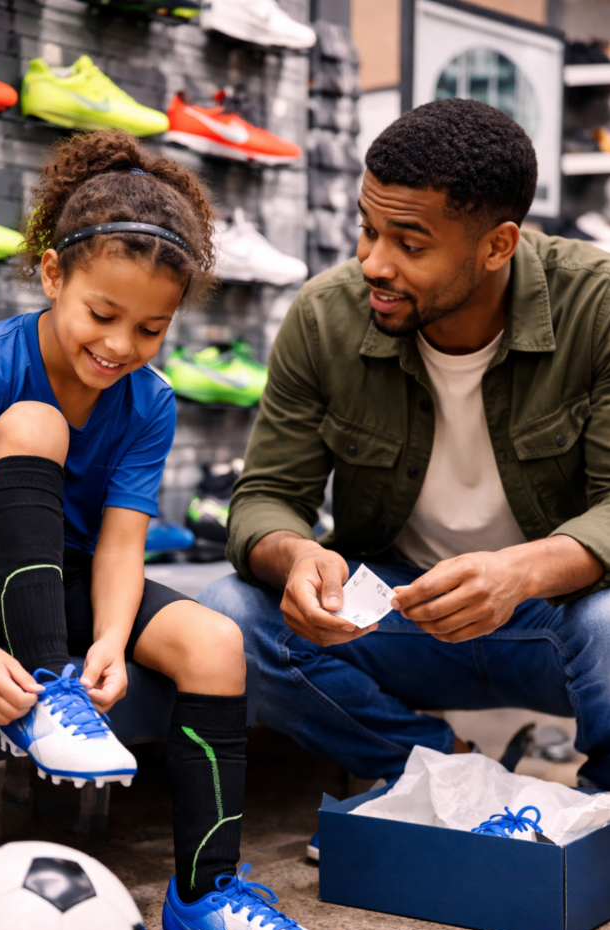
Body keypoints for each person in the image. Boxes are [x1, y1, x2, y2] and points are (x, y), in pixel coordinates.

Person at [0, 129, 339, 930]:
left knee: (215, 642)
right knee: (35, 424)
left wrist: (111, 640)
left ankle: (206, 895)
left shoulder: (148, 400)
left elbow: (119, 546)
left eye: (151, 327)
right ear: (51, 276)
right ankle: (47, 694)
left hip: (65, 577)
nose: (120, 345)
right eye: (102, 315)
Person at [199, 98, 610, 857]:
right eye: (367, 228)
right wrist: (293, 555)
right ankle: (431, 778)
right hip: (399, 613)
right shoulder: (326, 317)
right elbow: (263, 498)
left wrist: (519, 572)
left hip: (560, 622)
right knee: (225, 613)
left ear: (497, 246)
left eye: (408, 243)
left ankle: (591, 826)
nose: (372, 263)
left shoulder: (597, 304)